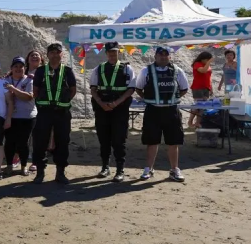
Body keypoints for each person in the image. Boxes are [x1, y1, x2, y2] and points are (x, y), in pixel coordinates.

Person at [135, 47, 189, 182]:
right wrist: (149, 99)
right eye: (160, 55)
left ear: (169, 56)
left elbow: (184, 89)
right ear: (155, 56)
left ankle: (174, 169)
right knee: (151, 141)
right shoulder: (146, 71)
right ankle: (148, 169)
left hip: (171, 110)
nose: (163, 57)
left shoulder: (178, 70)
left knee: (173, 142)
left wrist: (171, 99)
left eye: (166, 55)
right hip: (153, 110)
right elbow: (138, 88)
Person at [90, 42, 137, 182]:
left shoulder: (127, 69)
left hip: (120, 109)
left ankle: (119, 170)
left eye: (115, 51)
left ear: (119, 52)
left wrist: (116, 103)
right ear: (106, 53)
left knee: (119, 140)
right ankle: (105, 167)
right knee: (103, 139)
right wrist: (101, 104)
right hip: (102, 109)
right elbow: (93, 89)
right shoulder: (98, 69)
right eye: (110, 52)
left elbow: (131, 89)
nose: (112, 54)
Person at [31, 43, 77, 184]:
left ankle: (60, 173)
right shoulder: (40, 71)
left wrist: (63, 101)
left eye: (57, 52)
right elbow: (35, 90)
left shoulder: (67, 71)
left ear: (61, 54)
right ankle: (40, 172)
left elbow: (73, 90)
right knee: (40, 141)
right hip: (44, 112)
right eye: (52, 52)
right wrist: (43, 103)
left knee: (63, 141)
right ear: (48, 55)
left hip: (62, 112)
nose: (55, 55)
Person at [2, 56, 36, 176]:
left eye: (21, 66)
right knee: (9, 142)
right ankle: (9, 165)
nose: (18, 69)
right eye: (15, 66)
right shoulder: (5, 80)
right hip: (10, 116)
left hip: (27, 116)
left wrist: (14, 90)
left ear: (24, 68)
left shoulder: (29, 80)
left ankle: (23, 166)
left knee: (23, 142)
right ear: (11, 68)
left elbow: (28, 97)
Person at [23, 50, 44, 173]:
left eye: (37, 55)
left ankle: (35, 161)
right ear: (28, 59)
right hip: (24, 106)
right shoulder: (22, 70)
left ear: (41, 59)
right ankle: (19, 158)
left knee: (37, 134)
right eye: (32, 55)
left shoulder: (45, 71)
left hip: (40, 106)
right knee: (23, 134)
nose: (35, 57)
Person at [188, 51, 214, 129]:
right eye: (207, 59)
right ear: (202, 59)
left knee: (203, 107)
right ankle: (190, 122)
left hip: (206, 88)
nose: (208, 61)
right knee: (197, 106)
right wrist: (209, 62)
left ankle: (197, 123)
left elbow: (209, 77)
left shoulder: (207, 65)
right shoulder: (197, 64)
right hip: (198, 88)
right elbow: (203, 71)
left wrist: (211, 87)